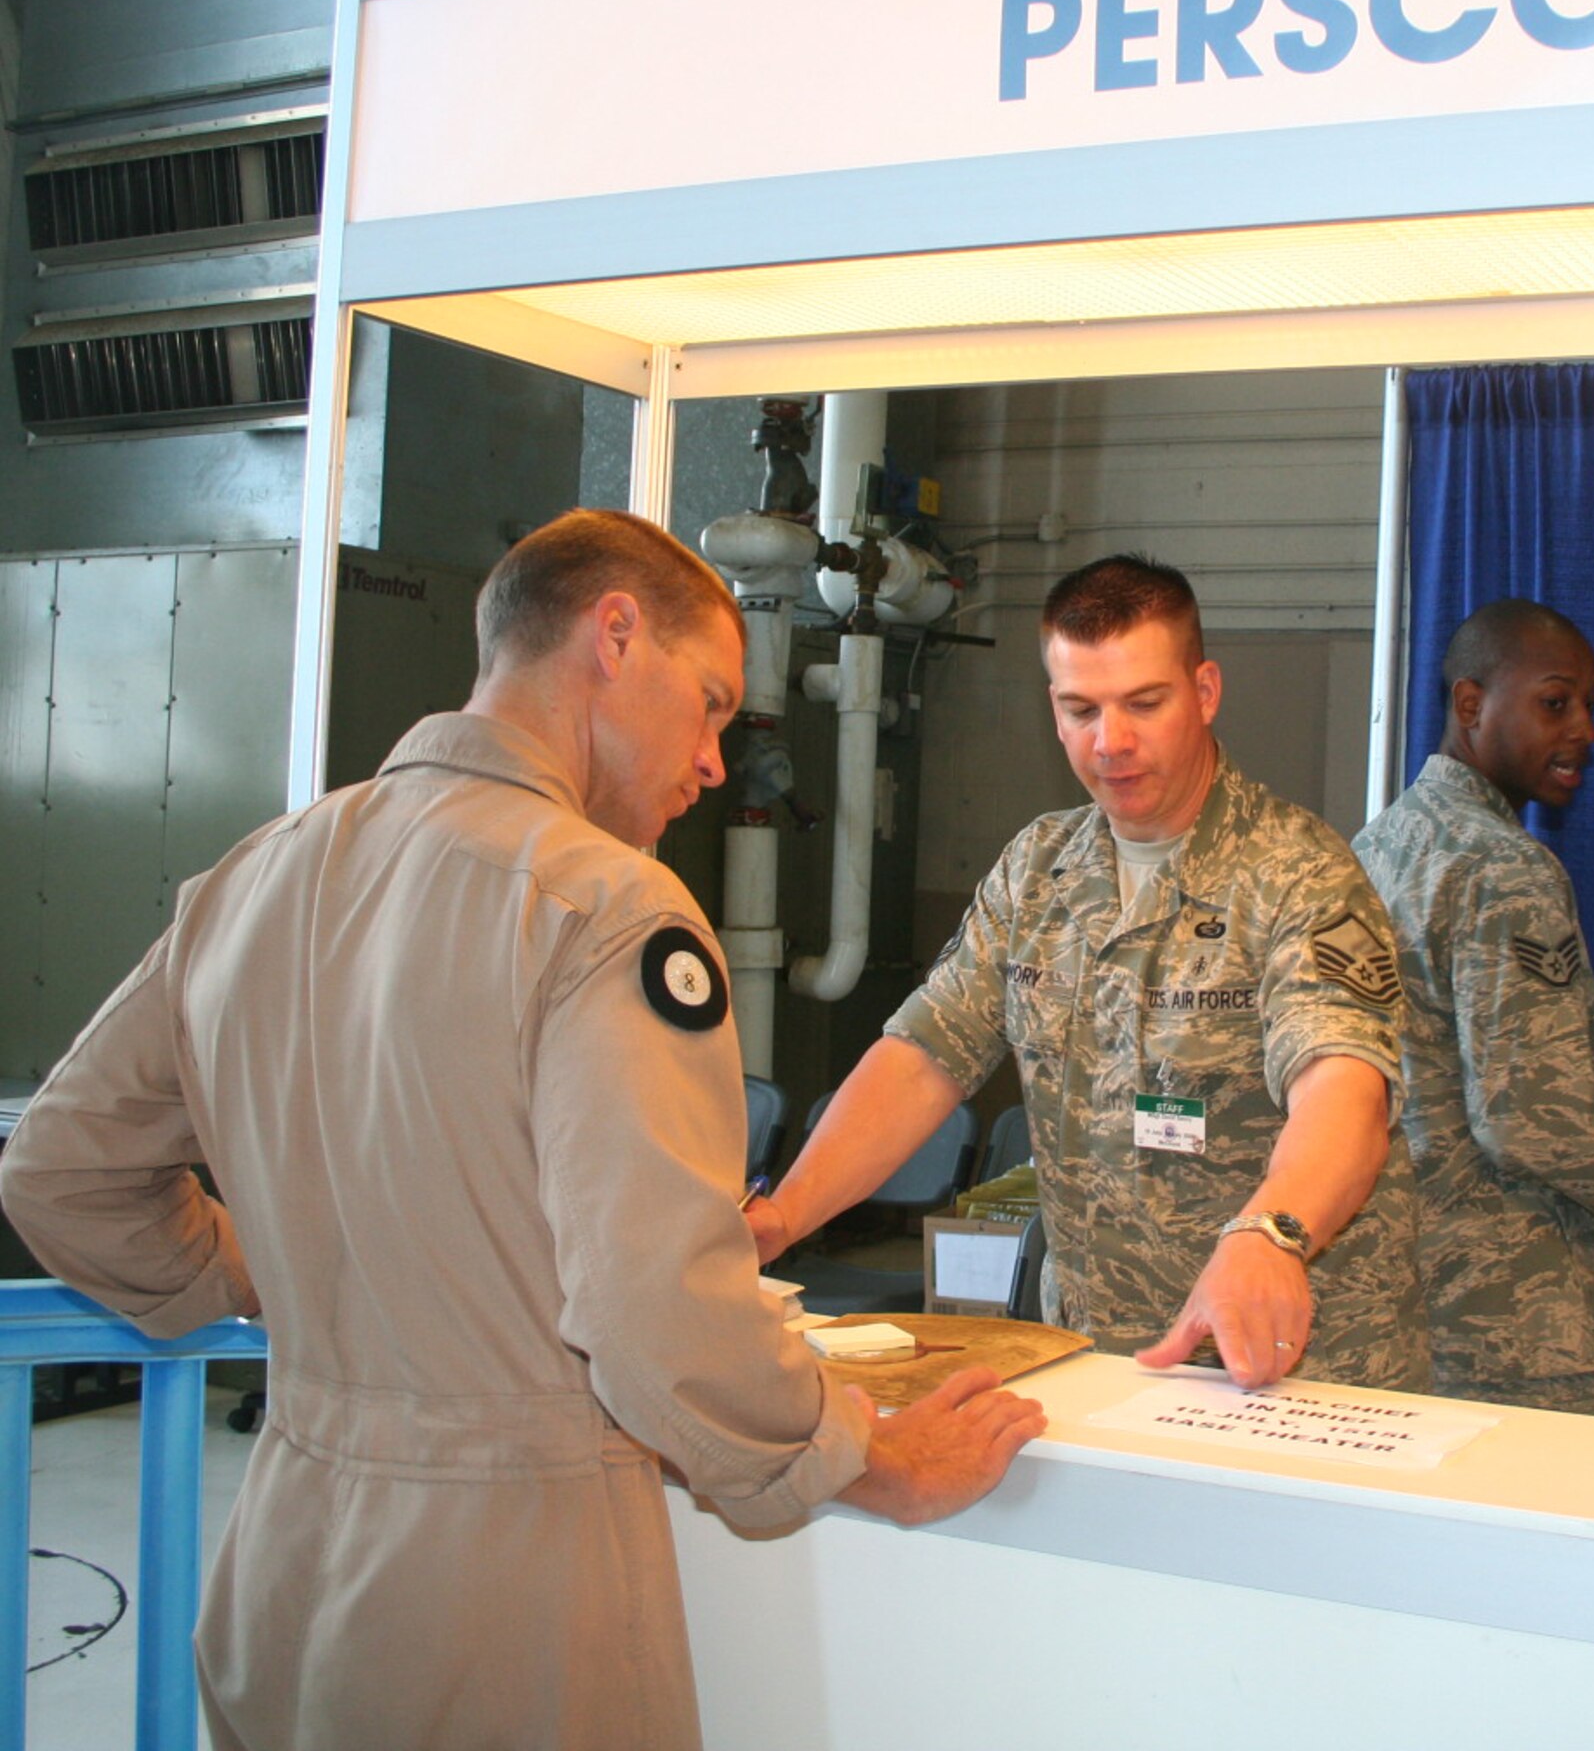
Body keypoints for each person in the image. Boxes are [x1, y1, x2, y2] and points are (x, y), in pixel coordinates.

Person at [0, 509, 1045, 1751]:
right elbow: (655, 1312)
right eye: (711, 704)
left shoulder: (252, 876)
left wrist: (261, 1271)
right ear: (615, 636)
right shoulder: (605, 909)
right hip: (502, 1591)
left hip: (281, 1565)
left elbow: (59, 1171)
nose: (715, 761)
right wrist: (875, 1459)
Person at [749, 553, 1428, 1393]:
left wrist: (1271, 1233)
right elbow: (922, 1059)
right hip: (1096, 1355)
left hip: (1292, 1365)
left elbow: (1343, 1094)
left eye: (1144, 703)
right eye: (1081, 710)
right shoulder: (1038, 869)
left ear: (1204, 691)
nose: (1111, 742)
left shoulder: (1298, 875)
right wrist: (783, 1216)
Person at [1354, 599, 1594, 1416]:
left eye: (1588, 705)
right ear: (1470, 704)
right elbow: (1529, 1122)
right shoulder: (1504, 867)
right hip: (1513, 1318)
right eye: (1554, 702)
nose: (1584, 730)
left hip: (1394, 1300)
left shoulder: (1375, 847)